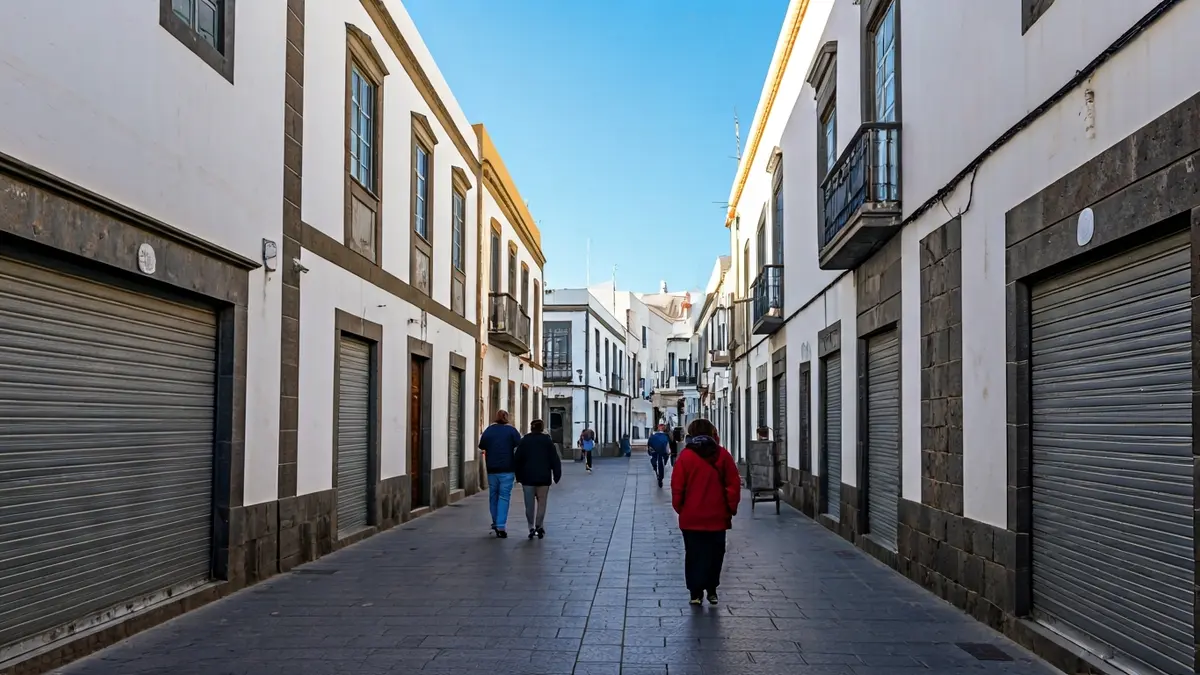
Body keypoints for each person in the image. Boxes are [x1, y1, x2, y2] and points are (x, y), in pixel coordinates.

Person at [671, 418, 741, 606]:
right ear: (712, 432)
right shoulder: (723, 455)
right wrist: (730, 508)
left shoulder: (685, 457)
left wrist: (681, 509)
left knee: (694, 554)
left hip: (691, 518)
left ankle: (695, 593)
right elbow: (733, 485)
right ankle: (711, 590)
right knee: (715, 554)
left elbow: (677, 487)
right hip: (717, 517)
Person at [513, 419, 562, 540]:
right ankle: (539, 525)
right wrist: (557, 475)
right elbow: (554, 459)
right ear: (542, 428)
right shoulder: (547, 441)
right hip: (543, 477)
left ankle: (531, 527)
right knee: (542, 503)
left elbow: (517, 459)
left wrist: (518, 476)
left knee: (529, 505)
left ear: (531, 428)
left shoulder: (524, 441)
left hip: (527, 478)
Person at [479, 410, 522, 538]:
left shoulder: (489, 430)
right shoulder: (511, 431)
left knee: (493, 495)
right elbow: (519, 444)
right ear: (506, 417)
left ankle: (495, 521)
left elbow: (482, 445)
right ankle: (501, 525)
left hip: (492, 468)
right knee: (504, 497)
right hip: (507, 468)